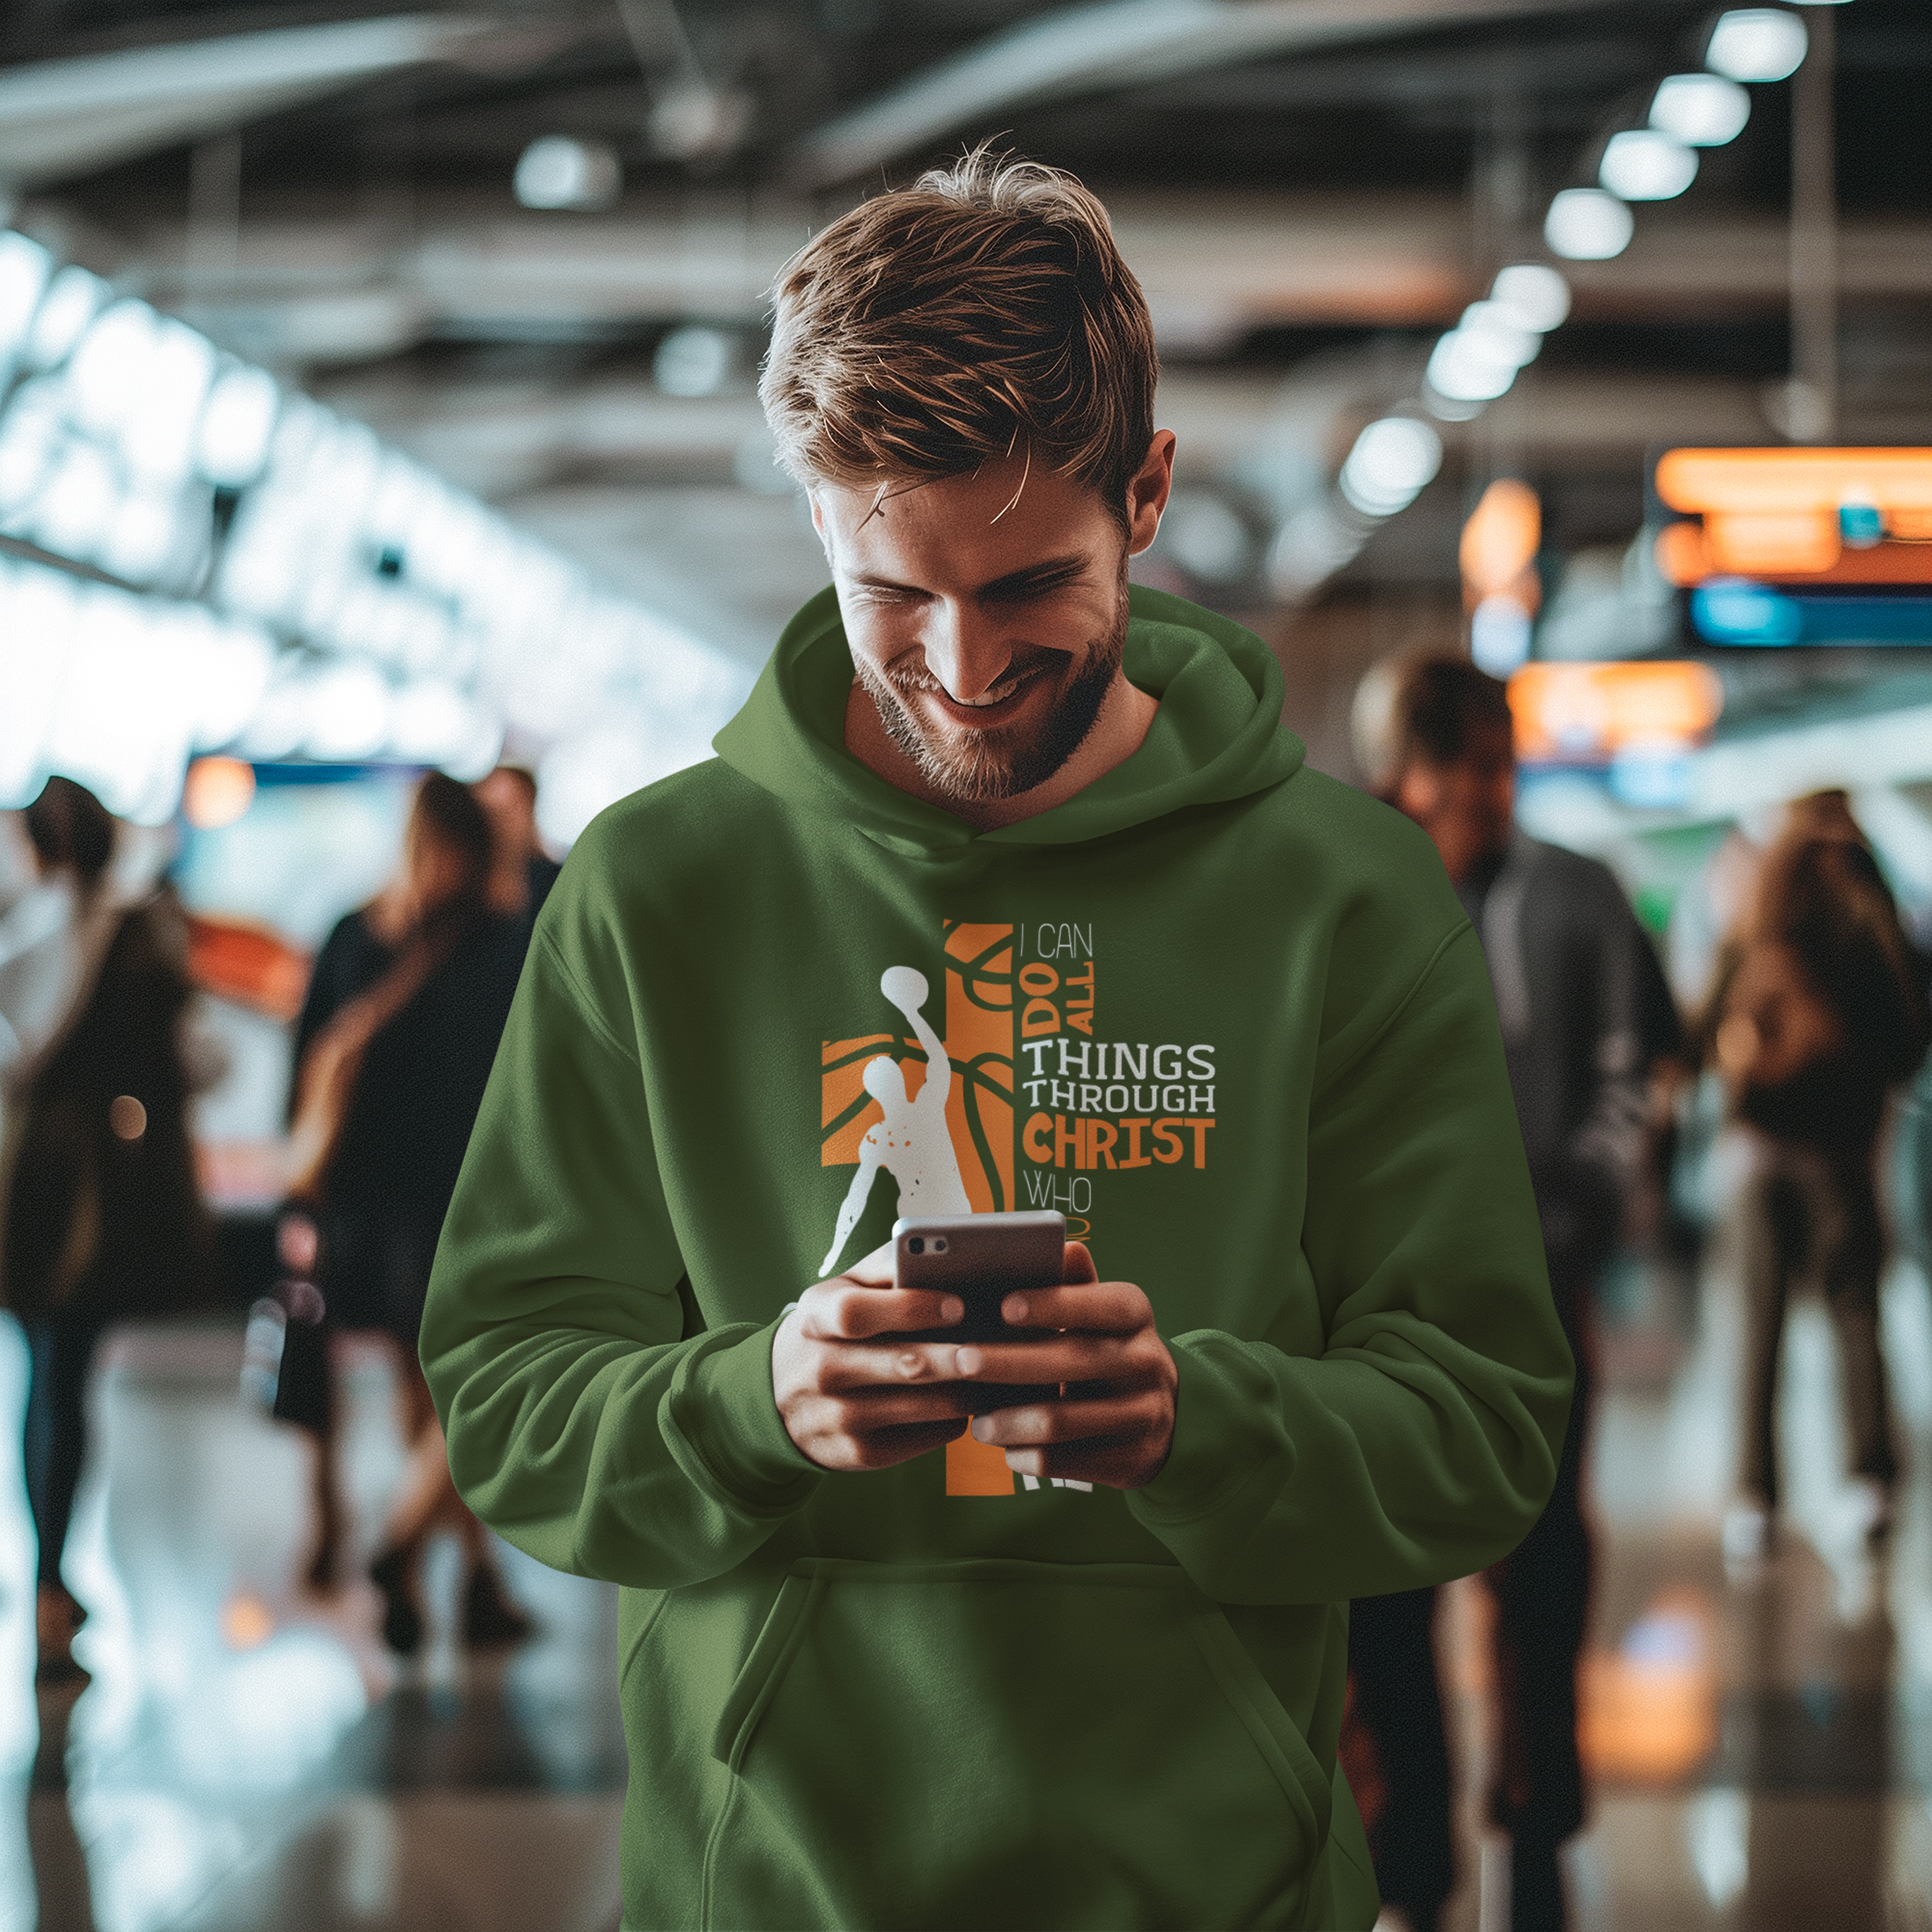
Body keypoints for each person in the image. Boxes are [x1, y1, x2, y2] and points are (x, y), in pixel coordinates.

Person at [421, 150, 1571, 1932]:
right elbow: (506, 1399)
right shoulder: (655, 892)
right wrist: (753, 1399)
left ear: (1150, 493)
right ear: (817, 520)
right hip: (768, 1894)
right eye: (897, 593)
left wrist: (1203, 1417)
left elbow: (1484, 1428)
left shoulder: (1343, 898)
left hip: (1219, 1891)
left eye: (1032, 582)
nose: (961, 666)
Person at [1345, 656, 1681, 1932]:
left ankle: (1536, 1827)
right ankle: (1406, 1854)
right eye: (1452, 774)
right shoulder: (1349, 900)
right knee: (1381, 1579)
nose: (1478, 798)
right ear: (1397, 781)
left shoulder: (1577, 897)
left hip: (1535, 1293)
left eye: (1494, 769)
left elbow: (1627, 1076)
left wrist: (1569, 1232)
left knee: (1540, 1566)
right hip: (1375, 1308)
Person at [287, 774, 532, 1650]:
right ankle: (401, 1548)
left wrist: (299, 1196)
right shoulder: (504, 941)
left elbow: (306, 1062)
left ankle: (468, 1580)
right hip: (462, 1206)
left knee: (424, 1392)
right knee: (474, 1399)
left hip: (362, 1206)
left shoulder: (354, 935)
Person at [0, 779, 212, 1678]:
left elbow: (21, 1048)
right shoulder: (139, 930)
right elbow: (197, 1054)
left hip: (32, 1181)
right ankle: (51, 1578)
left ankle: (49, 1576)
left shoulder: (36, 931)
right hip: (105, 1188)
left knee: (45, 1374)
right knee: (63, 1376)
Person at [1703, 792, 1929, 1554]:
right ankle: (1870, 1481)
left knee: (1755, 1324)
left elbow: (1708, 1020)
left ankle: (1755, 1499)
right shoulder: (1867, 904)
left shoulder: (1763, 903)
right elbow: (1908, 1034)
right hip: (1841, 1154)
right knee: (1855, 1314)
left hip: (1759, 1152)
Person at [472, 764, 560, 924]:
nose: (500, 824)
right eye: (493, 812)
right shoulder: (466, 887)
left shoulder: (556, 882)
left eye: (508, 811)